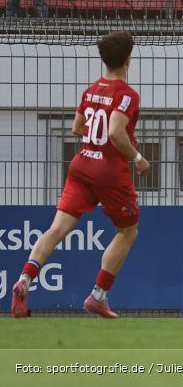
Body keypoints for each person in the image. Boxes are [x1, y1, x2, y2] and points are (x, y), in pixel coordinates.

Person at [10, 31, 149, 319]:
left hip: (82, 165)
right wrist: (137, 157)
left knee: (56, 229)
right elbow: (115, 131)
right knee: (128, 232)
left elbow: (77, 127)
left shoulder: (91, 90)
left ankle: (24, 279)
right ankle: (98, 295)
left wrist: (97, 136)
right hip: (108, 172)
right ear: (128, 60)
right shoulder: (127, 94)